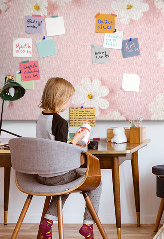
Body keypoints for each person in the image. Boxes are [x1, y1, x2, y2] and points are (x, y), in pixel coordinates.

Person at [36, 77, 102, 239]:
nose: (69, 103)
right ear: (60, 99)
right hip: (56, 175)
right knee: (96, 182)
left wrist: (70, 142)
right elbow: (63, 153)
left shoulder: (41, 118)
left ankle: (48, 221)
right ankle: (88, 225)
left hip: (41, 175)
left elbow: (53, 144)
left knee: (65, 183)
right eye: (68, 99)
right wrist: (75, 141)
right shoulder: (60, 122)